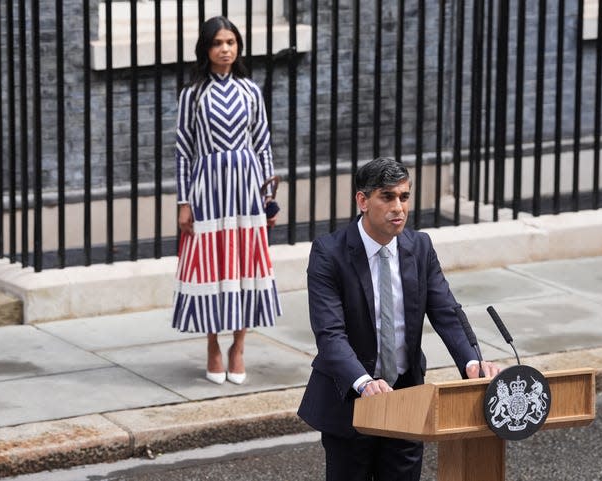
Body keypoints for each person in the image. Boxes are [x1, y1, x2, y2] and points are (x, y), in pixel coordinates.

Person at [297, 157, 500, 480]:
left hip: (407, 400)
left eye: (404, 197)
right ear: (362, 201)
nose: (399, 208)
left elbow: (447, 312)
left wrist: (472, 363)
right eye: (387, 197)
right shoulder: (329, 253)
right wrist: (364, 383)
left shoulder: (419, 247)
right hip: (352, 403)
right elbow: (330, 334)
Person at [172, 16, 281, 386]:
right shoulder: (192, 94)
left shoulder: (250, 90)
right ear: (206, 48)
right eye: (218, 42)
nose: (225, 49)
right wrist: (184, 202)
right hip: (207, 190)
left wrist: (270, 198)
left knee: (243, 264)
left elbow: (263, 144)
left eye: (231, 42)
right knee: (211, 266)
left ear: (238, 47)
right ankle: (213, 345)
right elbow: (183, 151)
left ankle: (238, 346)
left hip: (246, 190)